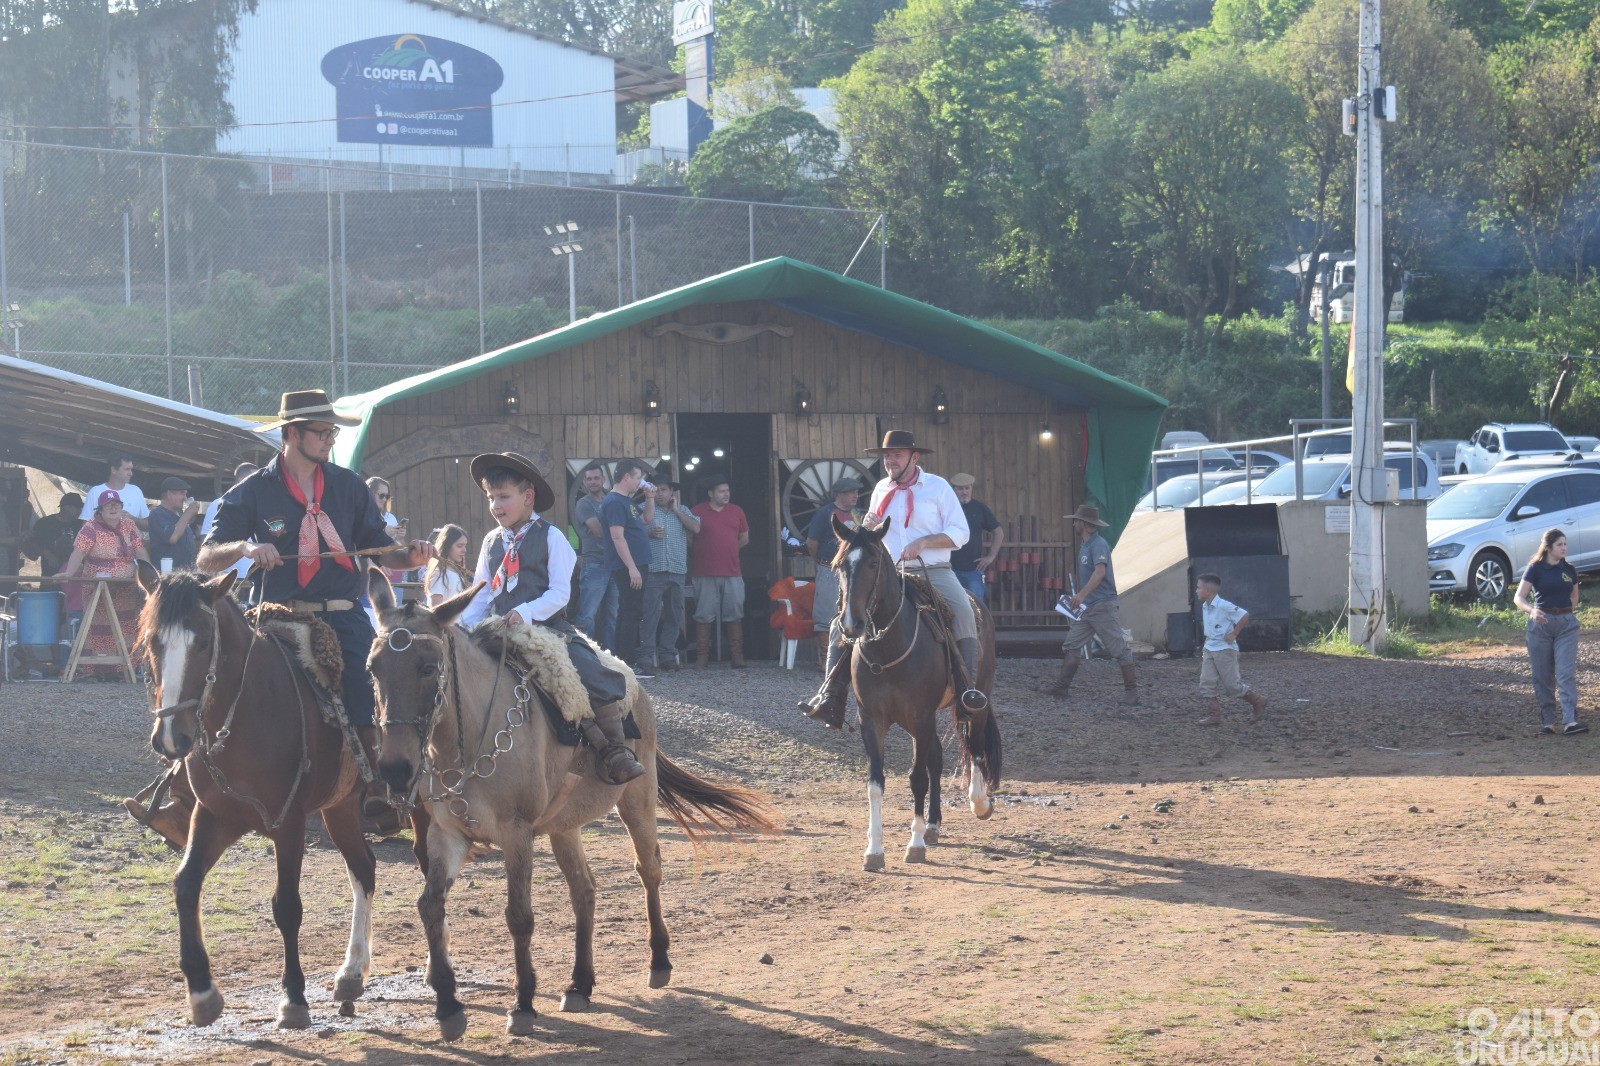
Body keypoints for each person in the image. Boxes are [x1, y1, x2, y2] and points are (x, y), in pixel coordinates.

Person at [126, 390, 436, 847]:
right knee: (217, 684)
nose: (330, 439)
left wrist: (408, 557)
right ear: (292, 433)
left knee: (366, 691)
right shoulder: (254, 491)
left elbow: (377, 544)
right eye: (321, 431)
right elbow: (207, 555)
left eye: (332, 431)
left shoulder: (349, 486)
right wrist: (246, 549)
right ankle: (182, 799)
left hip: (344, 618)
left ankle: (379, 794)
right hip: (275, 616)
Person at [459, 452, 645, 784]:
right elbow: (481, 593)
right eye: (491, 498)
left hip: (547, 627)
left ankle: (615, 749)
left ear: (527, 496)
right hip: (498, 630)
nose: (495, 505)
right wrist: (463, 629)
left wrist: (525, 612)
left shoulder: (551, 537)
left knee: (587, 668)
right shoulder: (491, 542)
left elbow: (561, 593)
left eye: (504, 497)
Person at [801, 430, 987, 726]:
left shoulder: (937, 487)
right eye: (887, 456)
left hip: (934, 571)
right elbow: (871, 538)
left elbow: (960, 533)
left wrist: (924, 541)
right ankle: (831, 696)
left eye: (897, 455)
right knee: (842, 619)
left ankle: (968, 691)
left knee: (964, 611)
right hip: (889, 574)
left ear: (914, 457)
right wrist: (866, 525)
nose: (890, 461)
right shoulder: (880, 489)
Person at [1043, 504, 1139, 706]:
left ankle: (1132, 692)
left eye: (1077, 521)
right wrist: (1082, 597)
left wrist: (1080, 595)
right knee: (1072, 644)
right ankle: (1062, 687)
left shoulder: (1098, 545)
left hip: (1101, 605)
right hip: (1089, 606)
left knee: (1118, 648)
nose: (1075, 523)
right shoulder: (1088, 545)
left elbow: (1100, 572)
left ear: (1085, 525)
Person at [63, 490, 150, 679]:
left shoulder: (129, 525)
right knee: (100, 627)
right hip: (98, 588)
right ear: (100, 510)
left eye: (116, 506)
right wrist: (69, 573)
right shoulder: (90, 528)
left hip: (126, 589)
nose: (113, 509)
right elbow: (78, 553)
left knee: (127, 626)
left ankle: (126, 669)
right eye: (108, 506)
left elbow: (140, 550)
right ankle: (100, 670)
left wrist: (148, 573)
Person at [1514, 528, 1587, 736]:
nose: (1564, 548)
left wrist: (1567, 612)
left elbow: (1575, 595)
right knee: (1542, 675)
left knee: (1565, 673)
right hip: (1541, 625)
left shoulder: (1569, 569)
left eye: (1565, 544)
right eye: (1559, 545)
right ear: (1548, 547)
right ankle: (1548, 722)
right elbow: (1519, 597)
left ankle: (1570, 721)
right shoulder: (1535, 569)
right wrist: (1532, 610)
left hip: (1566, 625)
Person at [639, 468, 699, 673]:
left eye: (664, 490)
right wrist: (648, 533)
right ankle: (646, 656)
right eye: (657, 490)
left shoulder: (682, 509)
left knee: (675, 615)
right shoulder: (643, 509)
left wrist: (677, 511)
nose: (660, 493)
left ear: (672, 492)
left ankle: (667, 656)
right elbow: (631, 535)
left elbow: (696, 528)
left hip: (677, 569)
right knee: (650, 615)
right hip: (653, 570)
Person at [602, 458, 656, 677]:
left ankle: (625, 662)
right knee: (630, 612)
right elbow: (617, 537)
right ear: (626, 477)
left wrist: (650, 498)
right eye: (637, 477)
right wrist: (632, 568)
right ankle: (627, 663)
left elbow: (647, 519)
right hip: (628, 567)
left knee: (631, 611)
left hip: (636, 564)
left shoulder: (627, 501)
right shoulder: (614, 501)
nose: (640, 482)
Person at [690, 475, 750, 669]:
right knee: (703, 614)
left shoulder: (737, 511)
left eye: (727, 491)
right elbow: (689, 539)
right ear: (711, 493)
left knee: (734, 613)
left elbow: (744, 539)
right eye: (722, 491)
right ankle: (702, 657)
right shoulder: (697, 511)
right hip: (704, 571)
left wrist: (728, 550)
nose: (726, 494)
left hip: (732, 571)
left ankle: (737, 656)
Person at [1194, 573, 1268, 726]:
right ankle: (1215, 716)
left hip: (1225, 650)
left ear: (1207, 590)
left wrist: (1234, 633)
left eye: (1199, 587)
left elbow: (1244, 615)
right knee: (1206, 683)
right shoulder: (1205, 606)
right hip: (1209, 648)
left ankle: (1258, 701)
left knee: (1232, 686)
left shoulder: (1224, 605)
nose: (1196, 590)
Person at [805, 477, 863, 663]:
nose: (856, 495)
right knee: (825, 613)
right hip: (829, 568)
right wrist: (824, 562)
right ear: (840, 494)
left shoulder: (857, 514)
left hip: (852, 571)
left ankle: (852, 659)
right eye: (851, 492)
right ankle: (826, 660)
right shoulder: (825, 513)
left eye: (856, 491)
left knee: (854, 612)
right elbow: (812, 542)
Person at [572, 464, 619, 650]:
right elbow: (598, 531)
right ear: (584, 482)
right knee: (587, 615)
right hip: (595, 564)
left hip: (615, 564)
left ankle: (611, 659)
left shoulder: (610, 499)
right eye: (589, 479)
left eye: (595, 478)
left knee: (611, 615)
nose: (592, 482)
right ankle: (586, 656)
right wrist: (619, 528)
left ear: (603, 480)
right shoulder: (584, 503)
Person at [949, 473, 1005, 603]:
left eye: (967, 488)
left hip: (974, 571)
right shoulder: (947, 509)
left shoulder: (980, 508)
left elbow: (998, 533)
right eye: (960, 489)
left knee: (977, 610)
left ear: (971, 488)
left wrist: (991, 557)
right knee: (950, 609)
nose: (964, 492)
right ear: (954, 489)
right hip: (950, 569)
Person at [201, 463, 258, 584]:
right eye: (254, 478)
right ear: (242, 480)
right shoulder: (218, 503)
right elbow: (206, 541)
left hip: (253, 576)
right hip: (228, 577)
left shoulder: (260, 503)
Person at [79, 453, 150, 531]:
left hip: (129, 542)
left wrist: (132, 519)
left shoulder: (136, 491)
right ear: (114, 470)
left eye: (131, 469)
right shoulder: (95, 492)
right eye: (126, 469)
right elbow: (85, 526)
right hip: (102, 542)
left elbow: (149, 525)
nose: (131, 473)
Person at [22, 492, 84, 576]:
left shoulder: (82, 525)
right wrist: (45, 552)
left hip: (75, 577)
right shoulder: (45, 523)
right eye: (78, 507)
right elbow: (31, 543)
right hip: (50, 575)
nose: (80, 511)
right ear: (67, 507)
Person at [148, 476, 202, 571]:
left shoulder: (180, 516)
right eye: (182, 493)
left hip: (186, 574)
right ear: (169, 494)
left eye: (186, 494)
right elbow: (172, 538)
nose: (185, 498)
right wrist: (188, 513)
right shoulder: (157, 513)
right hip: (168, 576)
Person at [425, 523, 472, 606]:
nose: (464, 550)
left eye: (465, 546)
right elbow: (436, 610)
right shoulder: (438, 574)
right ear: (446, 545)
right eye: (459, 546)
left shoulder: (457, 571)